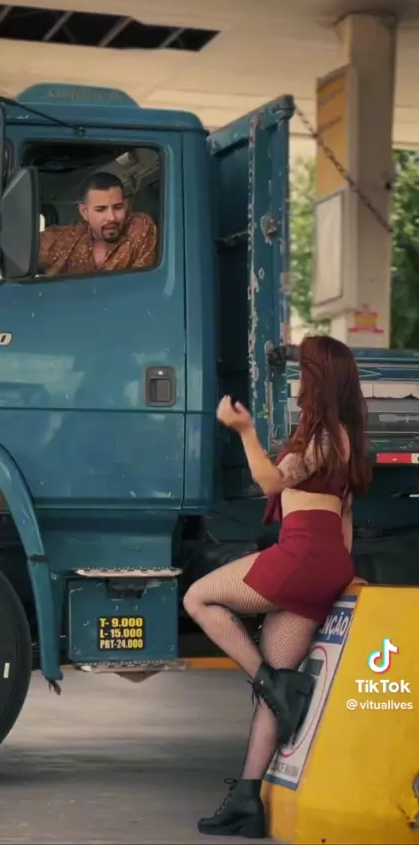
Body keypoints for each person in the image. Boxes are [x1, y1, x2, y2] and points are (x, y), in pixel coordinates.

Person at [183, 334, 371, 839]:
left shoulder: (320, 436)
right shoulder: (345, 438)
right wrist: (344, 572)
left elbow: (269, 482)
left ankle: (270, 681)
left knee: (198, 597)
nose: (296, 378)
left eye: (302, 369)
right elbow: (345, 516)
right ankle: (248, 798)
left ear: (317, 379)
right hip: (326, 561)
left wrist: (244, 430)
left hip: (299, 555)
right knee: (280, 682)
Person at [38, 171, 157, 276]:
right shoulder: (61, 241)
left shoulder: (139, 227)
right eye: (100, 209)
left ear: (126, 206)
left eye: (118, 207)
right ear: (84, 212)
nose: (111, 217)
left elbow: (143, 283)